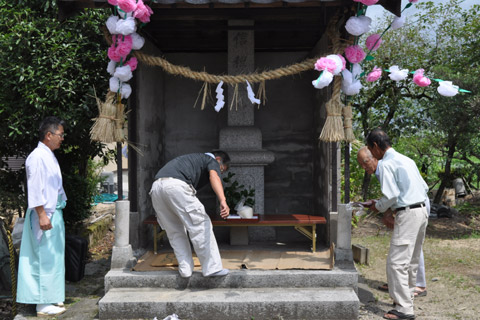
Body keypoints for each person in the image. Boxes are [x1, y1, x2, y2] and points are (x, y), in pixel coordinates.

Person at [364, 129, 429, 320]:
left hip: (408, 213)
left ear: (375, 146)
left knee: (397, 262)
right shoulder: (407, 160)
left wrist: (379, 206)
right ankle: (406, 299)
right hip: (422, 210)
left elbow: (391, 195)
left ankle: (404, 309)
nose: (371, 154)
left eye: (370, 149)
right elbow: (424, 187)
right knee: (411, 259)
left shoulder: (385, 163)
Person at [150, 150, 231, 278]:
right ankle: (212, 268)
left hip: (156, 188)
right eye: (221, 169)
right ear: (219, 159)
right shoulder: (210, 160)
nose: (220, 173)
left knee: (175, 231)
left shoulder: (191, 160)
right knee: (200, 224)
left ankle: (185, 270)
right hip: (176, 186)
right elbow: (214, 177)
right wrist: (223, 200)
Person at [17, 116, 67, 317]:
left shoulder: (48, 155)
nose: (62, 139)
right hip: (44, 213)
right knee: (43, 256)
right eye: (60, 135)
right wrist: (41, 215)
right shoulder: (37, 157)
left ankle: (51, 295)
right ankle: (41, 303)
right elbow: (35, 188)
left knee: (53, 256)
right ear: (49, 135)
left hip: (53, 211)